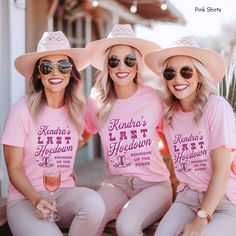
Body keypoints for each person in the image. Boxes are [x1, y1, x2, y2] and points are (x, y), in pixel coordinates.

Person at [0, 31, 105, 236]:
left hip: (65, 193)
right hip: (25, 199)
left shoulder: (79, 108)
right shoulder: (21, 111)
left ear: (71, 73)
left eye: (63, 66)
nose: (55, 73)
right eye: (48, 67)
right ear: (39, 74)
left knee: (95, 204)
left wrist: (63, 151)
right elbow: (13, 169)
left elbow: (93, 130)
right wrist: (36, 199)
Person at [84, 24, 173, 236]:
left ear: (136, 67)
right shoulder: (96, 102)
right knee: (88, 218)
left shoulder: (154, 98)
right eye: (114, 61)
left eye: (129, 60)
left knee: (126, 225)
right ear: (107, 66)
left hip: (154, 185)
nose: (121, 66)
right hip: (116, 184)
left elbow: (172, 140)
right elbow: (80, 137)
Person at [144, 36, 236, 236]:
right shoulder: (169, 115)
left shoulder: (216, 107)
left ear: (199, 75)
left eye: (186, 72)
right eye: (170, 73)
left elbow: (222, 172)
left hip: (224, 201)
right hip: (186, 198)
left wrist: (201, 218)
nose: (178, 80)